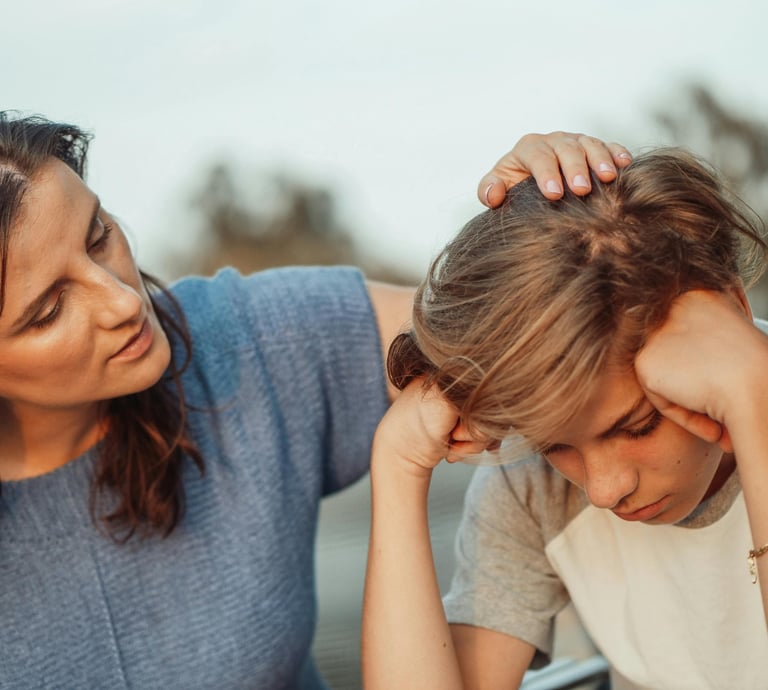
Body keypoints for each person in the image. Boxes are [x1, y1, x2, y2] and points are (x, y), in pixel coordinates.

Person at [0, 113, 630, 688]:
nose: (124, 302)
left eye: (98, 235)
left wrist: (559, 222)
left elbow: (528, 325)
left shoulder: (245, 341)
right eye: (49, 310)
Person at [362, 144, 768, 689]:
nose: (603, 489)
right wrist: (398, 465)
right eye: (554, 444)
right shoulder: (532, 489)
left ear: (733, 311)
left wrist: (755, 402)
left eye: (637, 425)